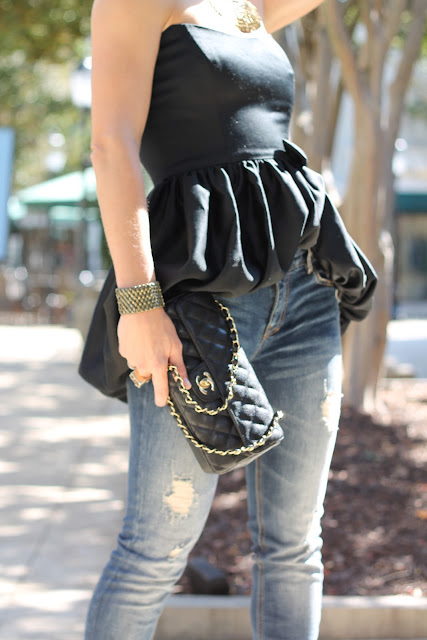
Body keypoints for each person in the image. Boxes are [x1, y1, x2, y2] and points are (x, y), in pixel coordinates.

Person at [81, 1, 377, 638]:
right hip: (198, 306)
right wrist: (139, 303)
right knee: (153, 552)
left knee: (295, 549)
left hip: (303, 290)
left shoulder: (246, 4)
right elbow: (111, 146)